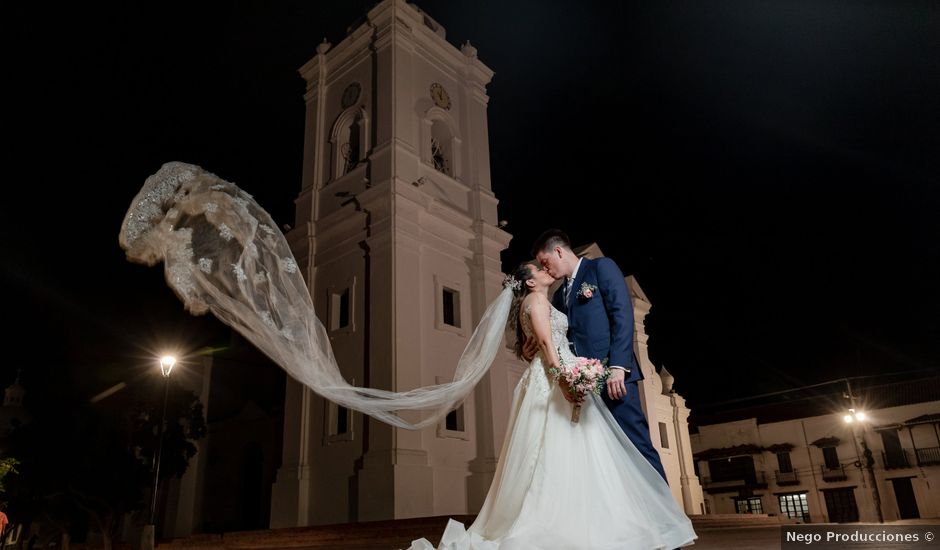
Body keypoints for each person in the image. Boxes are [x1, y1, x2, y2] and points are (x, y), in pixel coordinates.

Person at [407, 262, 696, 549]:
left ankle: (579, 513)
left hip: (549, 375)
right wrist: (565, 382)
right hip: (553, 379)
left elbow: (537, 343)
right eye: (538, 269)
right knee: (563, 446)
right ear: (530, 282)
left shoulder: (541, 300)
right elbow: (546, 345)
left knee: (561, 447)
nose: (545, 270)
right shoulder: (536, 300)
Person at [531, 229, 668, 481]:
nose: (545, 269)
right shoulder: (560, 296)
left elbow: (622, 314)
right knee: (605, 456)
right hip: (585, 385)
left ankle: (668, 516)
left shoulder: (601, 268)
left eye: (545, 262)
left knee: (636, 444)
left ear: (558, 251)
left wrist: (618, 365)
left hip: (615, 377)